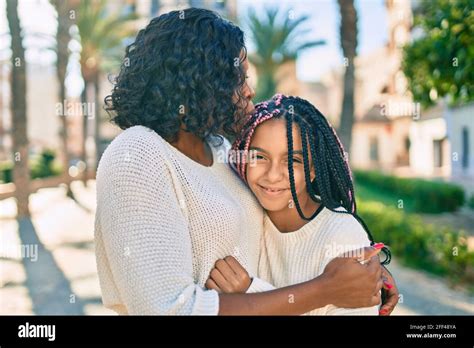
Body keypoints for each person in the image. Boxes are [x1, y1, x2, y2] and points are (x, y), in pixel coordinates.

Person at [95, 8, 398, 315]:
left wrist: (363, 273)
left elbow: (283, 229)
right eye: (238, 77)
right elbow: (169, 310)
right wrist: (325, 289)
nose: (249, 90)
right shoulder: (138, 153)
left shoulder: (220, 149)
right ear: (199, 80)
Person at [207, 94, 393, 315]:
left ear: (313, 169)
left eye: (292, 161)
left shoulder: (344, 235)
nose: (273, 175)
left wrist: (251, 293)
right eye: (259, 157)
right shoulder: (247, 212)